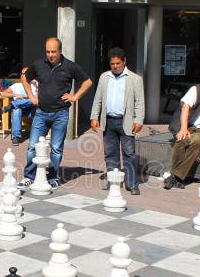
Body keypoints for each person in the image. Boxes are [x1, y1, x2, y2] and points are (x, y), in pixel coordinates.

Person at [18, 37, 93, 189]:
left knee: (56, 147)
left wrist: (74, 97)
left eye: (53, 52)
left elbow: (88, 82)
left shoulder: (70, 66)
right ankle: (29, 176)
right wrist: (31, 97)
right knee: (32, 146)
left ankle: (52, 177)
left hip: (61, 113)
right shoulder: (38, 64)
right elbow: (25, 78)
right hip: (41, 112)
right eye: (47, 51)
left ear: (60, 51)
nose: (50, 55)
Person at [89, 47, 145, 195]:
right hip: (108, 121)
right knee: (110, 153)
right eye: (112, 63)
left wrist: (138, 120)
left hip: (126, 121)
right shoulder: (104, 77)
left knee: (129, 153)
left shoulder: (135, 79)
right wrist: (94, 117)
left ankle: (132, 184)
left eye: (118, 63)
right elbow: (98, 99)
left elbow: (140, 102)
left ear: (124, 61)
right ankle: (113, 180)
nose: (115, 66)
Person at [1, 69, 37, 146]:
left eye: (26, 73)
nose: (23, 75)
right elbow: (3, 93)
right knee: (17, 110)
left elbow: (42, 97)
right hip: (20, 110)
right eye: (22, 73)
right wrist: (16, 95)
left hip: (32, 110)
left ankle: (12, 105)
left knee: (33, 99)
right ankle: (16, 137)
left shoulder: (34, 85)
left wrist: (37, 83)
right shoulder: (16, 86)